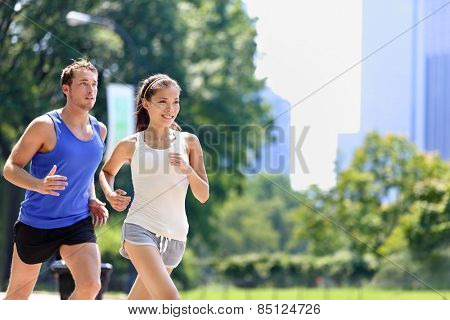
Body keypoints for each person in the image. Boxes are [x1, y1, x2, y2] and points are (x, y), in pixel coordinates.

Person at [2, 59, 108, 300]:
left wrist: (92, 198)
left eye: (94, 84)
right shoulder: (45, 126)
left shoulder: (99, 130)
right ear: (66, 89)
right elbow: (10, 168)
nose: (90, 90)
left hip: (76, 221)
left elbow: (87, 172)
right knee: (17, 299)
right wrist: (38, 185)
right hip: (37, 223)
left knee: (91, 285)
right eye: (83, 83)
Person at [99, 74, 209, 300]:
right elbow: (106, 171)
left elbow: (203, 195)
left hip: (176, 236)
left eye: (176, 101)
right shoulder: (131, 144)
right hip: (140, 228)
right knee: (171, 302)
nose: (171, 108)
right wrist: (110, 194)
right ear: (146, 103)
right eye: (163, 101)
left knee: (139, 306)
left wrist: (188, 170)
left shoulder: (189, 142)